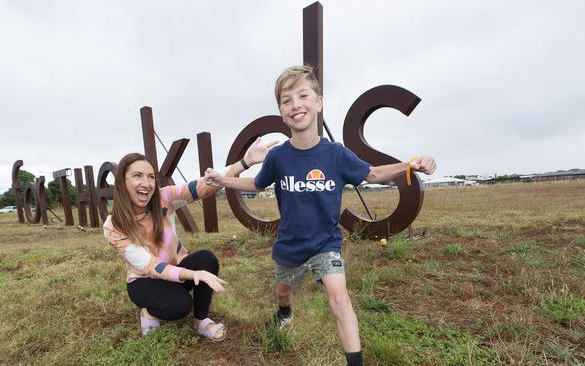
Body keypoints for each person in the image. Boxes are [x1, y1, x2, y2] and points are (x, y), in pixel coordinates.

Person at [204, 65, 436, 364]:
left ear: (319, 103)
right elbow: (257, 184)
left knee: (340, 299)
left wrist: (409, 164)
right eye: (286, 100)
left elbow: (373, 173)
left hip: (325, 242)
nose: (295, 104)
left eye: (303, 95)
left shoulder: (336, 154)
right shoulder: (278, 156)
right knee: (283, 291)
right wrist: (224, 181)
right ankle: (285, 312)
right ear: (281, 111)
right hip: (290, 244)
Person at [103, 138, 275, 339]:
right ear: (123, 182)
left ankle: (200, 319)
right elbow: (151, 266)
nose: (146, 183)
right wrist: (193, 275)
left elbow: (202, 186)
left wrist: (244, 162)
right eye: (137, 176)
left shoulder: (164, 198)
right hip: (144, 282)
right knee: (180, 305)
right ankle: (148, 311)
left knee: (206, 259)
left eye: (151, 177)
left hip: (176, 270)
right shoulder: (114, 226)